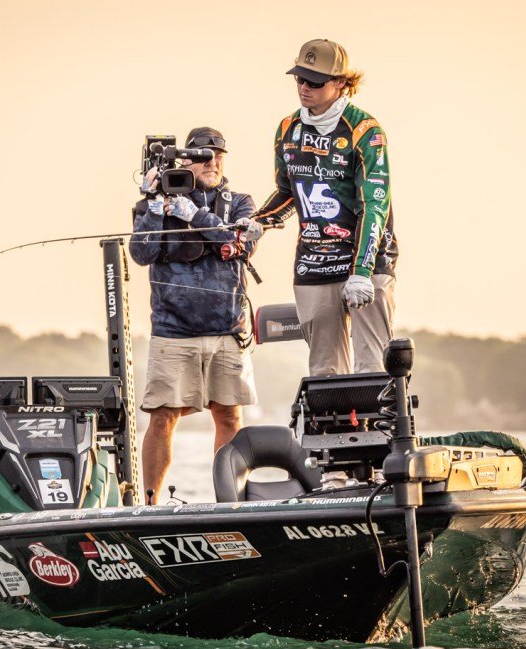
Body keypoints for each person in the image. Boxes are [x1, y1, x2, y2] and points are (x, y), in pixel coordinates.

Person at [252, 38, 398, 376]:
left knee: (372, 367)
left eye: (314, 82)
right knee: (324, 371)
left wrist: (362, 271)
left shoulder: (365, 130)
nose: (304, 87)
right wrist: (259, 222)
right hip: (314, 260)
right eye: (299, 78)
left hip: (367, 259)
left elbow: (374, 206)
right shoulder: (288, 129)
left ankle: (373, 412)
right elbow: (287, 191)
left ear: (341, 83)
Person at [129, 127, 261, 500]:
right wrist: (155, 206)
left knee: (229, 416)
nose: (212, 163)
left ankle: (230, 501)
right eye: (203, 157)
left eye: (218, 156)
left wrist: (196, 215)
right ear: (184, 160)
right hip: (172, 331)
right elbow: (141, 254)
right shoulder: (156, 200)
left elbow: (242, 243)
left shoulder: (239, 202)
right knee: (163, 418)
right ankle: (150, 504)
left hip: (227, 330)